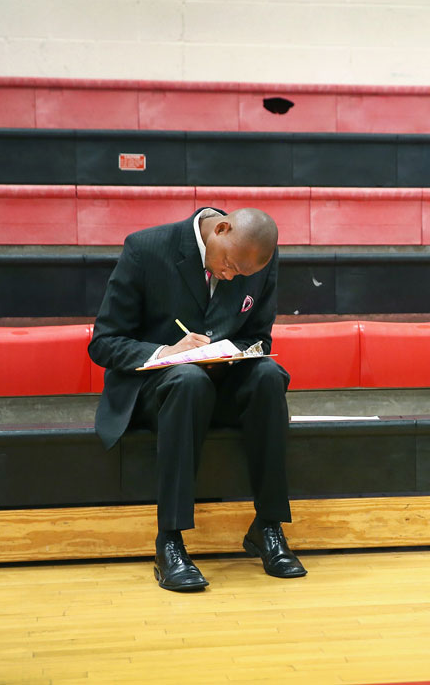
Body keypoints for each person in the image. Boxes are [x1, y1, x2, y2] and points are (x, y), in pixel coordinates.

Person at [89, 206, 307, 592]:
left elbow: (259, 337)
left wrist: (227, 353)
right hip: (158, 388)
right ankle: (169, 541)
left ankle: (268, 526)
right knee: (188, 380)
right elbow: (104, 343)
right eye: (229, 265)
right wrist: (167, 353)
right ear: (220, 229)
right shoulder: (145, 249)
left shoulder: (256, 260)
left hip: (217, 381)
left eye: (241, 275)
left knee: (270, 376)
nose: (230, 276)